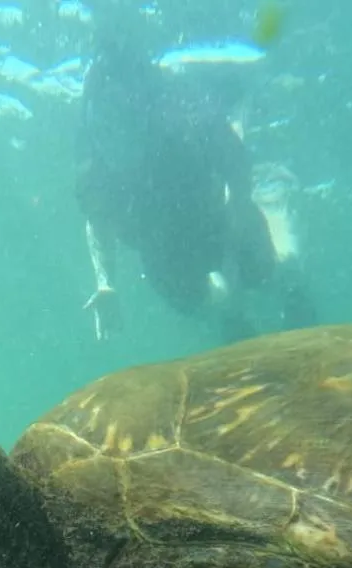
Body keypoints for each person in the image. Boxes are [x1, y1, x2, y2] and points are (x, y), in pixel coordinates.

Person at [75, 27, 315, 342]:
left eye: (119, 118)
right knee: (197, 304)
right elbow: (97, 219)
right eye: (103, 122)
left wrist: (240, 206)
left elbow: (235, 158)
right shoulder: (96, 164)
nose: (112, 134)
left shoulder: (182, 122)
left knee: (267, 271)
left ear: (138, 110)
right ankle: (233, 319)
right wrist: (105, 283)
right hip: (161, 249)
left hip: (217, 216)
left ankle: (291, 282)